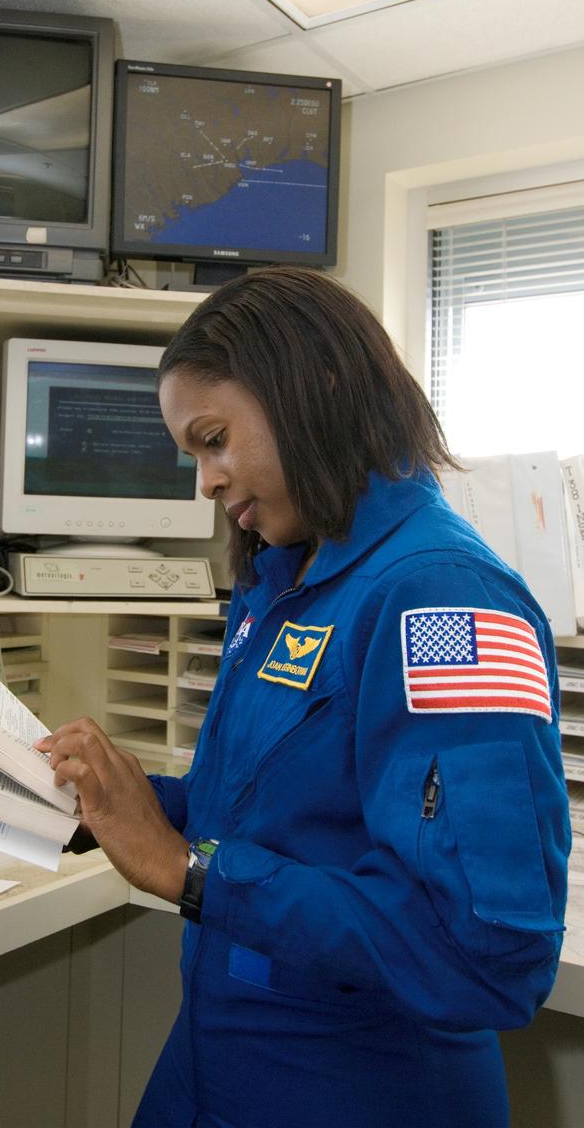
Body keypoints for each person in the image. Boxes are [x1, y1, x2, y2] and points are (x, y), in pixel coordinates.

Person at [36, 266, 570, 1128]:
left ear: (312, 387)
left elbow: (483, 954)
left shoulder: (441, 600)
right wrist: (113, 805)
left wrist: (187, 872)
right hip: (221, 1062)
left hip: (357, 1089)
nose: (205, 481)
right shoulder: (291, 579)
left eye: (214, 440)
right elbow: (272, 821)